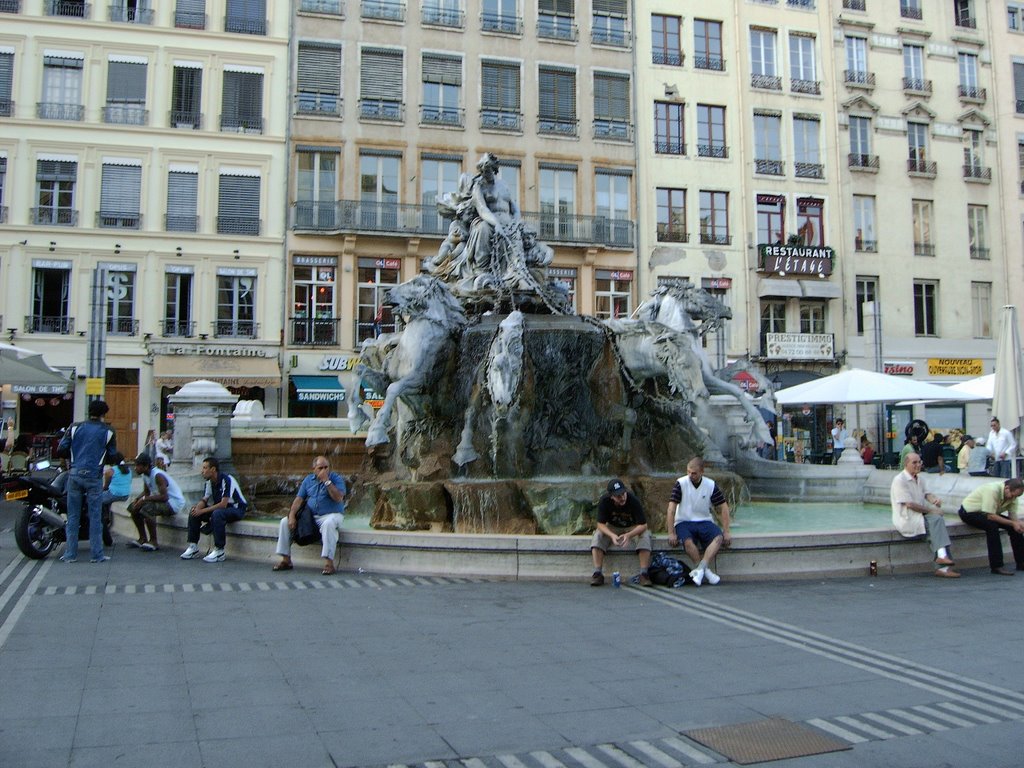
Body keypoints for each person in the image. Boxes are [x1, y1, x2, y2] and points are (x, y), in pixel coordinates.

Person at [56, 400, 117, 563]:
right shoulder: (108, 431)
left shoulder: (74, 427)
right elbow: (112, 455)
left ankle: (70, 554)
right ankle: (97, 555)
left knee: (73, 515)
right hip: (94, 476)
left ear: (89, 411)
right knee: (95, 516)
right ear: (104, 414)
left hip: (74, 474)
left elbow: (61, 449)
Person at [273, 455, 348, 575]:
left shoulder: (336, 478)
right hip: (312, 517)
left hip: (332, 515)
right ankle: (286, 560)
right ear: (314, 469)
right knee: (284, 522)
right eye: (320, 468)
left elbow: (338, 497)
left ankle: (329, 563)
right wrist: (291, 515)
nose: (323, 470)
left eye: (326, 467)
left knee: (328, 524)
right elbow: (298, 499)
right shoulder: (308, 480)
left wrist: (327, 481)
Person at [890, 453, 959, 578]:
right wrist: (931, 511)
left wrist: (934, 500)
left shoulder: (920, 478)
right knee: (937, 521)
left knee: (937, 523)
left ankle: (943, 560)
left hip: (920, 516)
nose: (918, 465)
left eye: (919, 462)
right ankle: (942, 561)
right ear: (906, 464)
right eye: (914, 463)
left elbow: (927, 494)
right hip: (907, 518)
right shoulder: (899, 480)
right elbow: (910, 504)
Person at [665, 457, 731, 586]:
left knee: (718, 538)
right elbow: (671, 509)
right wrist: (671, 532)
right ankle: (705, 571)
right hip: (684, 521)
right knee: (688, 542)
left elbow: (724, 507)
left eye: (694, 473)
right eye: (688, 472)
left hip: (704, 521)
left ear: (702, 472)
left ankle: (700, 570)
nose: (690, 475)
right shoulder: (681, 483)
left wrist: (726, 531)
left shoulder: (710, 484)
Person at [180, 456, 248, 563]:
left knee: (217, 514)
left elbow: (223, 504)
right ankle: (193, 547)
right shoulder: (209, 482)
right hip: (222, 509)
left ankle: (219, 551)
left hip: (237, 509)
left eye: (205, 468)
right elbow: (204, 500)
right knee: (194, 512)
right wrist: (197, 509)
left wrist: (202, 511)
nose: (202, 471)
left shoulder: (226, 479)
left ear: (213, 469)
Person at [590, 479, 653, 587]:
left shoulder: (633, 500)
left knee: (645, 535)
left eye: (623, 494)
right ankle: (597, 573)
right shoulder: (604, 501)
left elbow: (643, 525)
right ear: (611, 496)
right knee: (598, 535)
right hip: (613, 527)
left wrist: (629, 535)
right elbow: (600, 524)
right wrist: (612, 535)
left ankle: (644, 573)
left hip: (632, 527)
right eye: (618, 496)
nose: (622, 497)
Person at [957, 478, 1024, 575]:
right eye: (1012, 495)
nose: (1013, 498)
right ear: (1007, 488)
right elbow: (990, 516)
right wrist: (1013, 523)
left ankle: (1021, 562)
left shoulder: (1013, 497)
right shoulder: (992, 490)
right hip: (969, 512)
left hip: (987, 513)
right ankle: (997, 566)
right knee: (992, 527)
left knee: (1014, 528)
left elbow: (1012, 515)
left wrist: (1017, 524)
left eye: (1016, 497)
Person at [127, 452, 186, 551]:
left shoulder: (158, 475)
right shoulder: (145, 475)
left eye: (138, 466)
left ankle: (154, 541)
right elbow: (146, 492)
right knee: (133, 507)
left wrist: (144, 500)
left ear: (146, 466)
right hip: (164, 501)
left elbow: (164, 497)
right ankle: (142, 538)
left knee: (147, 509)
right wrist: (138, 499)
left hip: (173, 503)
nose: (135, 468)